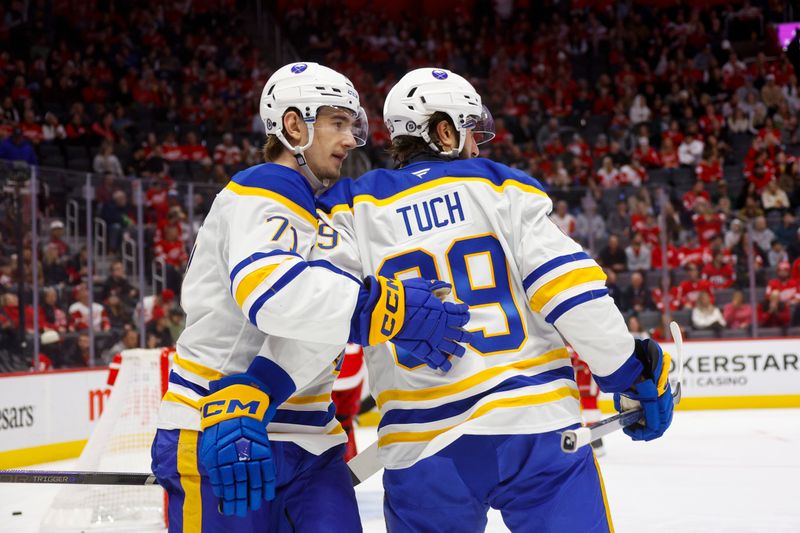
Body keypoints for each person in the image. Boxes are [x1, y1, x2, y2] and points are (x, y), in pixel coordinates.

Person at [311, 68, 674, 532]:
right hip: (535, 428)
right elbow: (572, 293)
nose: (477, 147)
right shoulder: (503, 186)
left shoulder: (346, 206)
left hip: (420, 445)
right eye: (468, 132)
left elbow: (320, 309)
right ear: (444, 131)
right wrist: (629, 373)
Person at [149, 62, 471, 532]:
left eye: (352, 126)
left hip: (311, 436)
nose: (350, 141)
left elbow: (324, 324)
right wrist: (386, 309)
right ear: (294, 125)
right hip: (218, 424)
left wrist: (387, 322)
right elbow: (274, 295)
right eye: (337, 123)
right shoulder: (261, 189)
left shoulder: (323, 213)